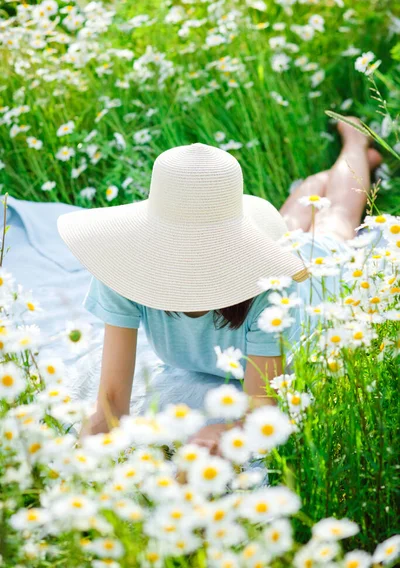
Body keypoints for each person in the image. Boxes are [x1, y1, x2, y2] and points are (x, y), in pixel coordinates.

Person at [57, 117, 382, 453]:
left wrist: (223, 432)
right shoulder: (124, 268)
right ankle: (335, 173)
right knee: (286, 226)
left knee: (336, 221)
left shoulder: (268, 294)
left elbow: (260, 409)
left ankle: (355, 143)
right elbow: (111, 402)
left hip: (315, 279)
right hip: (255, 255)